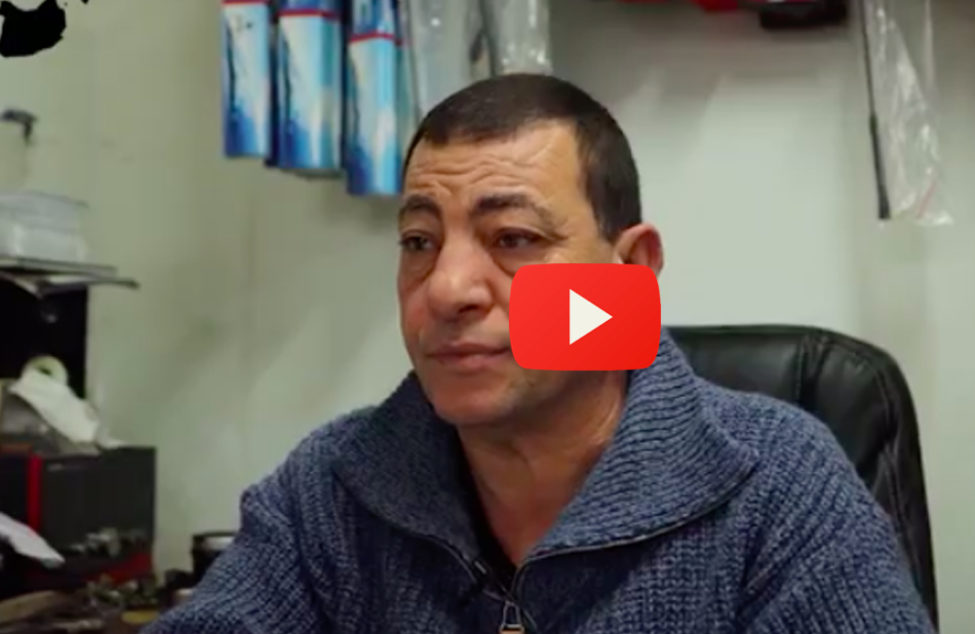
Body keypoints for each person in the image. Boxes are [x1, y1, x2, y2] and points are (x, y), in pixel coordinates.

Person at [148, 74, 933, 633]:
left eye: (514, 238)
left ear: (632, 270)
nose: (447, 288)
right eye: (419, 241)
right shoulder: (332, 487)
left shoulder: (778, 486)